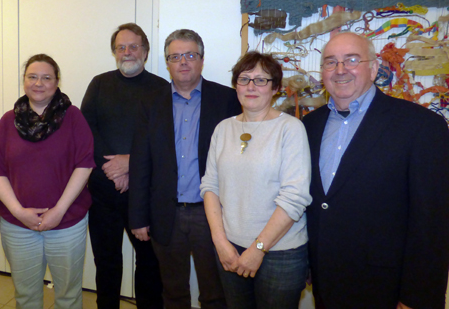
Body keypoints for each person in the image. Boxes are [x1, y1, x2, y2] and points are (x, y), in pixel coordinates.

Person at [303, 32, 449, 309]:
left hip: (388, 287)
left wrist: (418, 297)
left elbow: (432, 223)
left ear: (373, 68)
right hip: (326, 282)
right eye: (330, 62)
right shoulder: (309, 125)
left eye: (352, 60)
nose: (340, 70)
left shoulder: (421, 126)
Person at [129, 29, 240, 309]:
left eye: (190, 55)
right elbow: (141, 163)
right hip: (166, 214)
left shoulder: (227, 99)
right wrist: (138, 217)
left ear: (201, 59)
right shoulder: (150, 103)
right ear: (167, 63)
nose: (183, 62)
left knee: (215, 294)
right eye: (175, 56)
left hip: (212, 215)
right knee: (173, 293)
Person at [200, 51, 311, 309]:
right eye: (244, 79)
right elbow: (210, 186)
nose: (251, 86)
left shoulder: (290, 129)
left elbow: (295, 197)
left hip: (280, 253)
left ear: (275, 89)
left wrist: (258, 248)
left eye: (261, 80)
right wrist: (220, 242)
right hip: (230, 249)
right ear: (235, 85)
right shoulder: (223, 128)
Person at [0, 54, 94, 309]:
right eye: (32, 77)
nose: (39, 83)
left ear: (57, 82)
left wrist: (59, 211)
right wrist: (17, 212)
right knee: (26, 296)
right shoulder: (6, 121)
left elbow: (85, 164)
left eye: (46, 77)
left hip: (66, 223)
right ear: (24, 81)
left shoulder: (73, 117)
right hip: (18, 225)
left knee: (68, 296)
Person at [81, 23, 165, 309]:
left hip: (144, 196)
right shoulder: (100, 83)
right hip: (103, 194)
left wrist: (130, 164)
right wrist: (112, 168)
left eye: (133, 46)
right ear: (114, 52)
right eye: (121, 47)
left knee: (150, 264)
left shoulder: (161, 89)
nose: (127, 52)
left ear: (146, 50)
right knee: (106, 263)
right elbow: (86, 129)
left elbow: (166, 140)